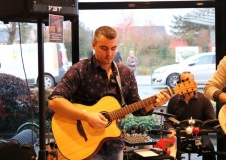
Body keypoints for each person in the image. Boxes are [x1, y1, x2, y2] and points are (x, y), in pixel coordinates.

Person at [48, 26, 170, 160]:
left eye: (113, 48)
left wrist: (153, 104)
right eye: (104, 48)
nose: (110, 54)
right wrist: (87, 116)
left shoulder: (125, 73)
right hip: (83, 146)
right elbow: (55, 101)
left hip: (115, 144)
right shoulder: (80, 70)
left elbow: (136, 107)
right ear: (93, 45)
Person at [164, 71, 216, 160]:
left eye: (190, 81)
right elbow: (168, 120)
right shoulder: (173, 100)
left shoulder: (204, 99)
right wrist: (171, 130)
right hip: (179, 134)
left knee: (209, 150)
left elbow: (211, 119)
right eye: (184, 82)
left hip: (199, 134)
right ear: (179, 84)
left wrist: (199, 128)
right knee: (168, 152)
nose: (187, 84)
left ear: (194, 83)